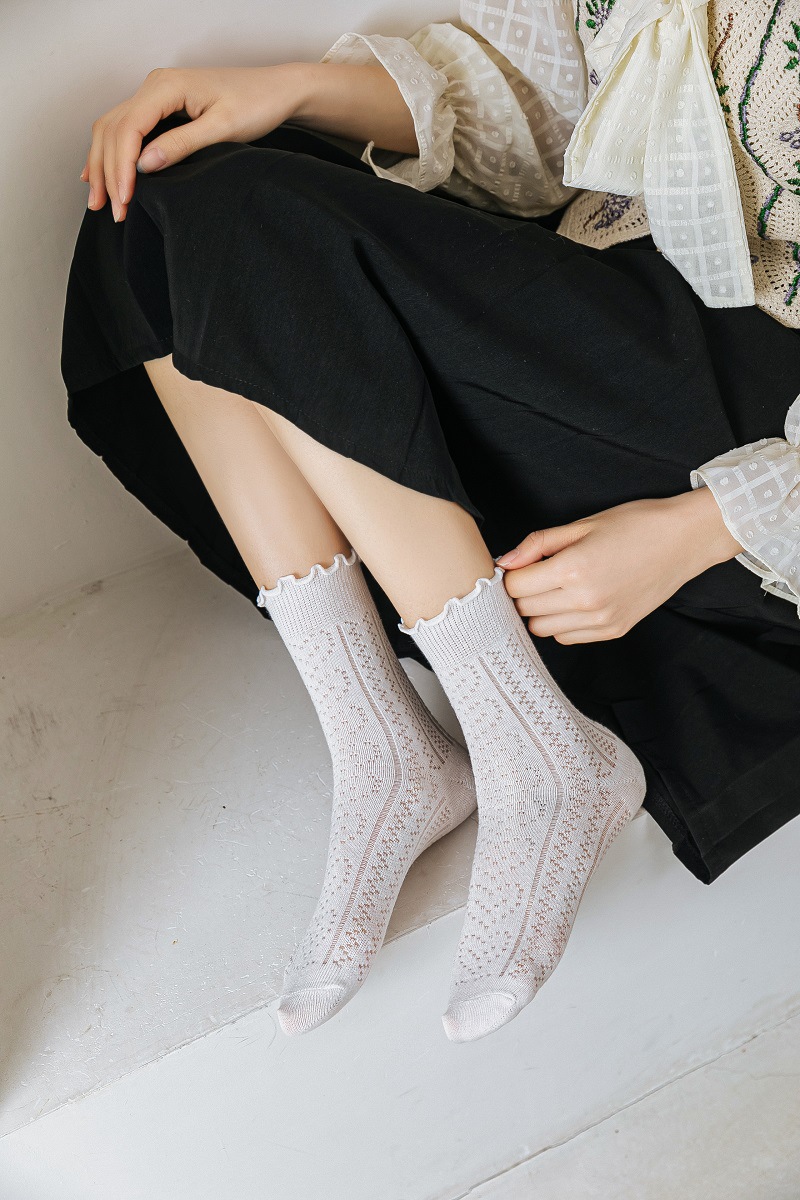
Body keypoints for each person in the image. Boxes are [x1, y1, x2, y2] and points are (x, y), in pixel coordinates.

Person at [60, 0, 800, 1043]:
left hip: (752, 429)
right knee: (150, 196)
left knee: (247, 235)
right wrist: (293, 90)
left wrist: (708, 525)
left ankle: (540, 755)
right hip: (610, 302)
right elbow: (554, 110)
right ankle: (382, 743)